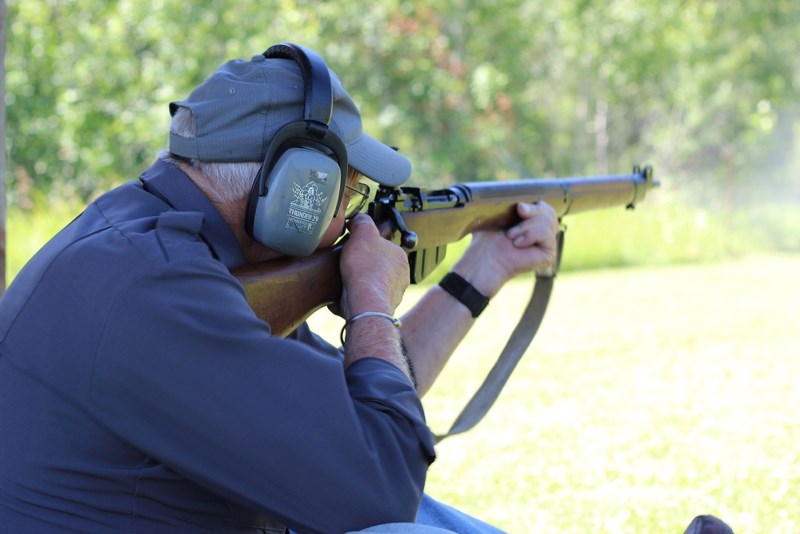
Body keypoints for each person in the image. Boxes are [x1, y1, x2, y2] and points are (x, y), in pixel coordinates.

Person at [0, 43, 558, 533]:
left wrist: (482, 268)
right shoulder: (161, 288)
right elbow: (382, 488)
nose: (349, 218)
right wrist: (369, 303)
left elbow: (365, 403)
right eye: (350, 189)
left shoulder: (158, 246)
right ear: (299, 187)